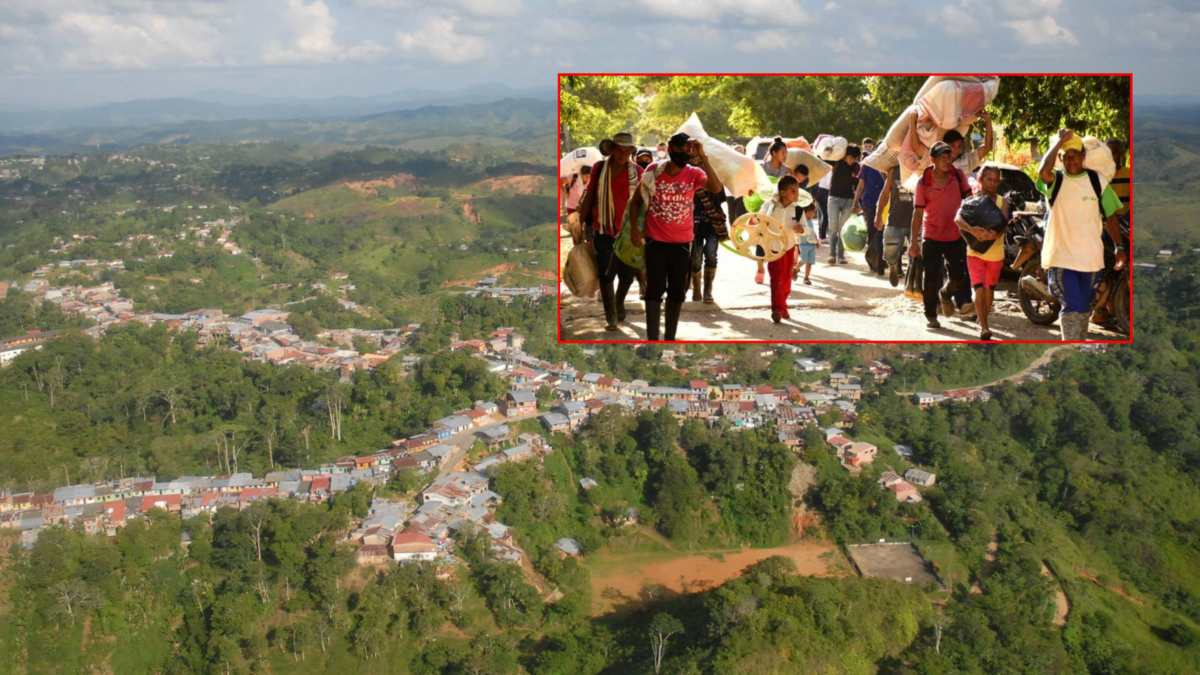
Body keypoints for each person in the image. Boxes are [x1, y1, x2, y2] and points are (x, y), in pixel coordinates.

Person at [629, 132, 724, 341]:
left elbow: (716, 188)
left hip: (681, 244)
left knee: (677, 292)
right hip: (655, 241)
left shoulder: (694, 173)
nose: (686, 155)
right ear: (671, 149)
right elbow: (636, 201)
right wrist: (635, 230)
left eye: (689, 152)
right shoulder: (655, 170)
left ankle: (669, 337)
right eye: (682, 150)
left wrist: (703, 156)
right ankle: (653, 337)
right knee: (654, 290)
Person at [1036, 129, 1127, 341]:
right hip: (1062, 259)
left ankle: (1078, 344)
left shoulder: (1097, 182)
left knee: (1084, 307)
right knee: (1073, 305)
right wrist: (1059, 141)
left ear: (1083, 156)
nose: (1070, 159)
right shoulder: (1056, 181)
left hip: (1090, 260)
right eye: (1066, 156)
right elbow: (1042, 173)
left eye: (1074, 154)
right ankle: (1071, 347)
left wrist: (1119, 247)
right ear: (1060, 158)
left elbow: (1111, 216)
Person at [578, 132, 643, 331]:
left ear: (632, 151)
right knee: (606, 274)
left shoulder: (639, 172)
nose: (623, 153)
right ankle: (610, 317)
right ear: (612, 150)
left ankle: (619, 301)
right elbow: (589, 195)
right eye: (619, 149)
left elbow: (642, 203)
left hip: (628, 231)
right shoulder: (599, 168)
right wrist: (582, 223)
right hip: (603, 228)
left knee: (627, 275)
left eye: (627, 150)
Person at [908, 142, 972, 329]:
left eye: (948, 157)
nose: (946, 161)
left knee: (959, 276)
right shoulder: (924, 182)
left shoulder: (958, 176)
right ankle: (930, 314)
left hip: (955, 235)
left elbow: (969, 202)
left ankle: (945, 294)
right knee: (932, 277)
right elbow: (918, 213)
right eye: (942, 158)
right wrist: (914, 242)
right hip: (932, 235)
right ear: (933, 160)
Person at [944, 112, 994, 318]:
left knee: (962, 260)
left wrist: (988, 121)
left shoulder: (967, 161)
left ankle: (964, 302)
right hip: (941, 219)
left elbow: (987, 147)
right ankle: (943, 297)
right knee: (944, 262)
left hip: (963, 220)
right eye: (953, 146)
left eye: (959, 146)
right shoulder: (937, 161)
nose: (956, 150)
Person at [954, 165, 1009, 340]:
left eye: (995, 180)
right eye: (988, 179)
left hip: (995, 254)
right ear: (980, 180)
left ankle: (983, 319)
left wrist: (995, 234)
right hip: (975, 252)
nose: (992, 184)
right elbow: (958, 219)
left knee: (989, 289)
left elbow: (1004, 223)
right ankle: (984, 327)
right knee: (978, 289)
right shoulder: (971, 200)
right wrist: (973, 230)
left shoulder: (1003, 202)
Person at [757, 175, 811, 323]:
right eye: (793, 191)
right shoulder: (770, 206)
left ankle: (782, 305)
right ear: (782, 192)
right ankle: (776, 309)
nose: (796, 194)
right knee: (776, 278)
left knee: (786, 280)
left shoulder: (798, 210)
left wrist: (802, 229)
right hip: (773, 248)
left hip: (788, 248)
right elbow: (758, 219)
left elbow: (807, 229)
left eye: (797, 191)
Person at [876, 165, 914, 286]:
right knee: (889, 254)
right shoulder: (894, 171)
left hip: (916, 220)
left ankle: (911, 277)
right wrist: (878, 214)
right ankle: (893, 267)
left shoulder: (922, 168)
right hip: (895, 219)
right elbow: (885, 192)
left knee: (918, 255)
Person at [825, 144, 862, 264]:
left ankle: (841, 255)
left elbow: (857, 186)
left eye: (855, 159)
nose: (853, 161)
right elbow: (823, 158)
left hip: (848, 200)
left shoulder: (856, 167)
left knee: (842, 229)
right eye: (851, 158)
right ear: (846, 155)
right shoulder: (837, 162)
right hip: (834, 198)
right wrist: (829, 150)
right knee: (833, 227)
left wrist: (857, 204)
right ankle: (832, 254)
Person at [690, 183, 726, 304]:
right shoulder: (690, 179)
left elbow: (721, 199)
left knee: (711, 254)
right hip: (694, 224)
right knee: (696, 256)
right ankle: (696, 288)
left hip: (712, 223)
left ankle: (707, 290)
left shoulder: (715, 179)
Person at [852, 160, 887, 274]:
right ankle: (875, 261)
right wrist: (855, 202)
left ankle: (881, 260)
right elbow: (861, 184)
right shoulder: (867, 165)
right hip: (869, 202)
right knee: (872, 231)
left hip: (886, 203)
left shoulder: (889, 164)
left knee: (884, 232)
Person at [794, 201, 820, 286]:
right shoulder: (802, 221)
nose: (813, 214)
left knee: (810, 262)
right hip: (804, 244)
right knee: (804, 259)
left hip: (811, 245)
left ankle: (806, 278)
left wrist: (816, 241)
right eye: (812, 212)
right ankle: (795, 270)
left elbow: (812, 231)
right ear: (807, 212)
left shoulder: (810, 221)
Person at [1106, 139, 1130, 217]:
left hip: (1126, 223)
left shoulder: (1129, 174)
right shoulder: (1099, 176)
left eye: (1113, 153)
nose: (1110, 157)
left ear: (1121, 153)